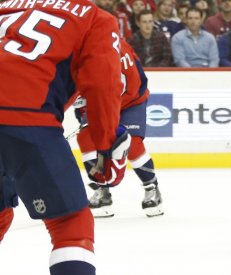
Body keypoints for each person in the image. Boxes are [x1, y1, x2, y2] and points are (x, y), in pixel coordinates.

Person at [0, 1, 130, 274]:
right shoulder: (95, 18)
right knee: (70, 225)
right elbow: (102, 85)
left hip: (21, 117)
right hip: (24, 116)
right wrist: (105, 146)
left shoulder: (6, 6)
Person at [74, 40, 164, 218]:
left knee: (133, 143)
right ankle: (103, 190)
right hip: (101, 103)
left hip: (131, 101)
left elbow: (136, 83)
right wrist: (85, 115)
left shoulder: (119, 50)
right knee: (87, 138)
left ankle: (152, 188)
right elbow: (77, 90)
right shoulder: (77, 54)